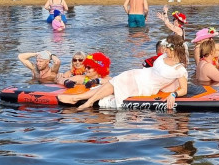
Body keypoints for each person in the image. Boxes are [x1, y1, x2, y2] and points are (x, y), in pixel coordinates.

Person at [58, 35, 189, 111]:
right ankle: (81, 99)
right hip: (139, 75)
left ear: (174, 49)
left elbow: (184, 89)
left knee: (114, 83)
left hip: (145, 86)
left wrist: (173, 94)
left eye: (167, 47)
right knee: (112, 82)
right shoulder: (163, 57)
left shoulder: (179, 69)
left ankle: (86, 101)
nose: (164, 49)